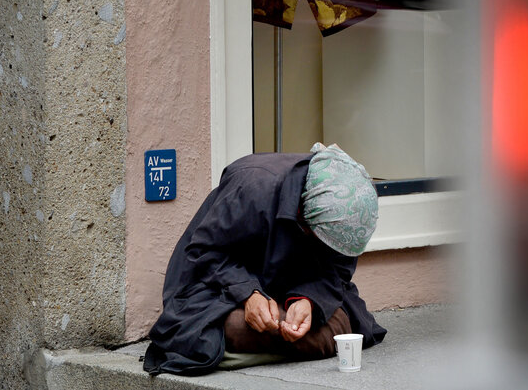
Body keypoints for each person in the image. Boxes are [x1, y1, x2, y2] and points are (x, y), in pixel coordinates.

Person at [143, 143, 386, 376]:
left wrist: (308, 301)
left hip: (290, 290)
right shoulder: (251, 186)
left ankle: (244, 353)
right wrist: (248, 294)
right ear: (303, 214)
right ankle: (251, 346)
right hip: (221, 291)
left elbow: (338, 272)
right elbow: (204, 253)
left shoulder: (344, 217)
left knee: (338, 326)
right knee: (230, 329)